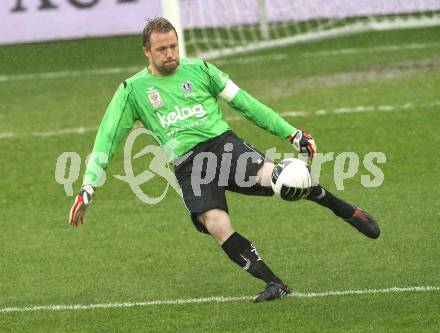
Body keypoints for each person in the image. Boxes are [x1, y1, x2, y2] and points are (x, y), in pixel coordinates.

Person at [69, 17, 380, 303]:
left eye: (174, 46)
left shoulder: (202, 70)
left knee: (284, 179)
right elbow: (107, 139)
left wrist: (292, 134)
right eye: (162, 49)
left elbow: (247, 104)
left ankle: (347, 211)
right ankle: (275, 284)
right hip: (188, 165)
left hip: (223, 147)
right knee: (216, 224)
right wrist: (89, 186)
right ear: (146, 52)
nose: (170, 54)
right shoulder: (132, 91)